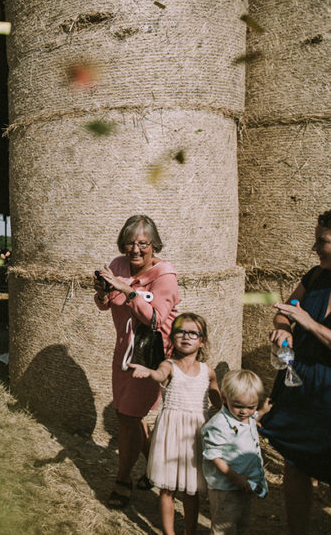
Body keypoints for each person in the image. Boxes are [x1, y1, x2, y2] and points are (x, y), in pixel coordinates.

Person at [94, 214, 181, 508]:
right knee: (127, 415)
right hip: (125, 350)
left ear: (154, 245)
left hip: (152, 353)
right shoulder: (118, 265)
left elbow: (155, 319)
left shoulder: (165, 276)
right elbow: (105, 305)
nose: (135, 250)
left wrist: (128, 290)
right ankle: (157, 470)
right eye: (130, 243)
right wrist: (104, 292)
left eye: (143, 244)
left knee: (128, 417)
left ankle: (123, 479)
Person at [260, 209, 331, 534]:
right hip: (300, 379)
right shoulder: (315, 276)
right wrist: (284, 329)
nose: (314, 248)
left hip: (328, 388)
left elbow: (306, 320)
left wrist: (310, 324)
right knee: (296, 459)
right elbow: (284, 311)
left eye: (323, 241)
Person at [128, 313, 221, 534]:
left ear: (202, 340)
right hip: (170, 433)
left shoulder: (208, 371)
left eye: (193, 333)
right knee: (167, 488)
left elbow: (218, 401)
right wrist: (148, 371)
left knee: (192, 489)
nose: (186, 337)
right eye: (180, 332)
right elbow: (159, 375)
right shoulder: (168, 365)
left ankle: (190, 531)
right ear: (172, 338)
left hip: (195, 435)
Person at [202, 369, 271, 535]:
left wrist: (261, 412)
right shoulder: (219, 425)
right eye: (238, 406)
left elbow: (251, 420)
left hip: (248, 481)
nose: (244, 412)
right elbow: (213, 455)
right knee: (224, 526)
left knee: (242, 522)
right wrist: (235, 477)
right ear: (225, 399)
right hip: (226, 486)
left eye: (251, 407)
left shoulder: (247, 417)